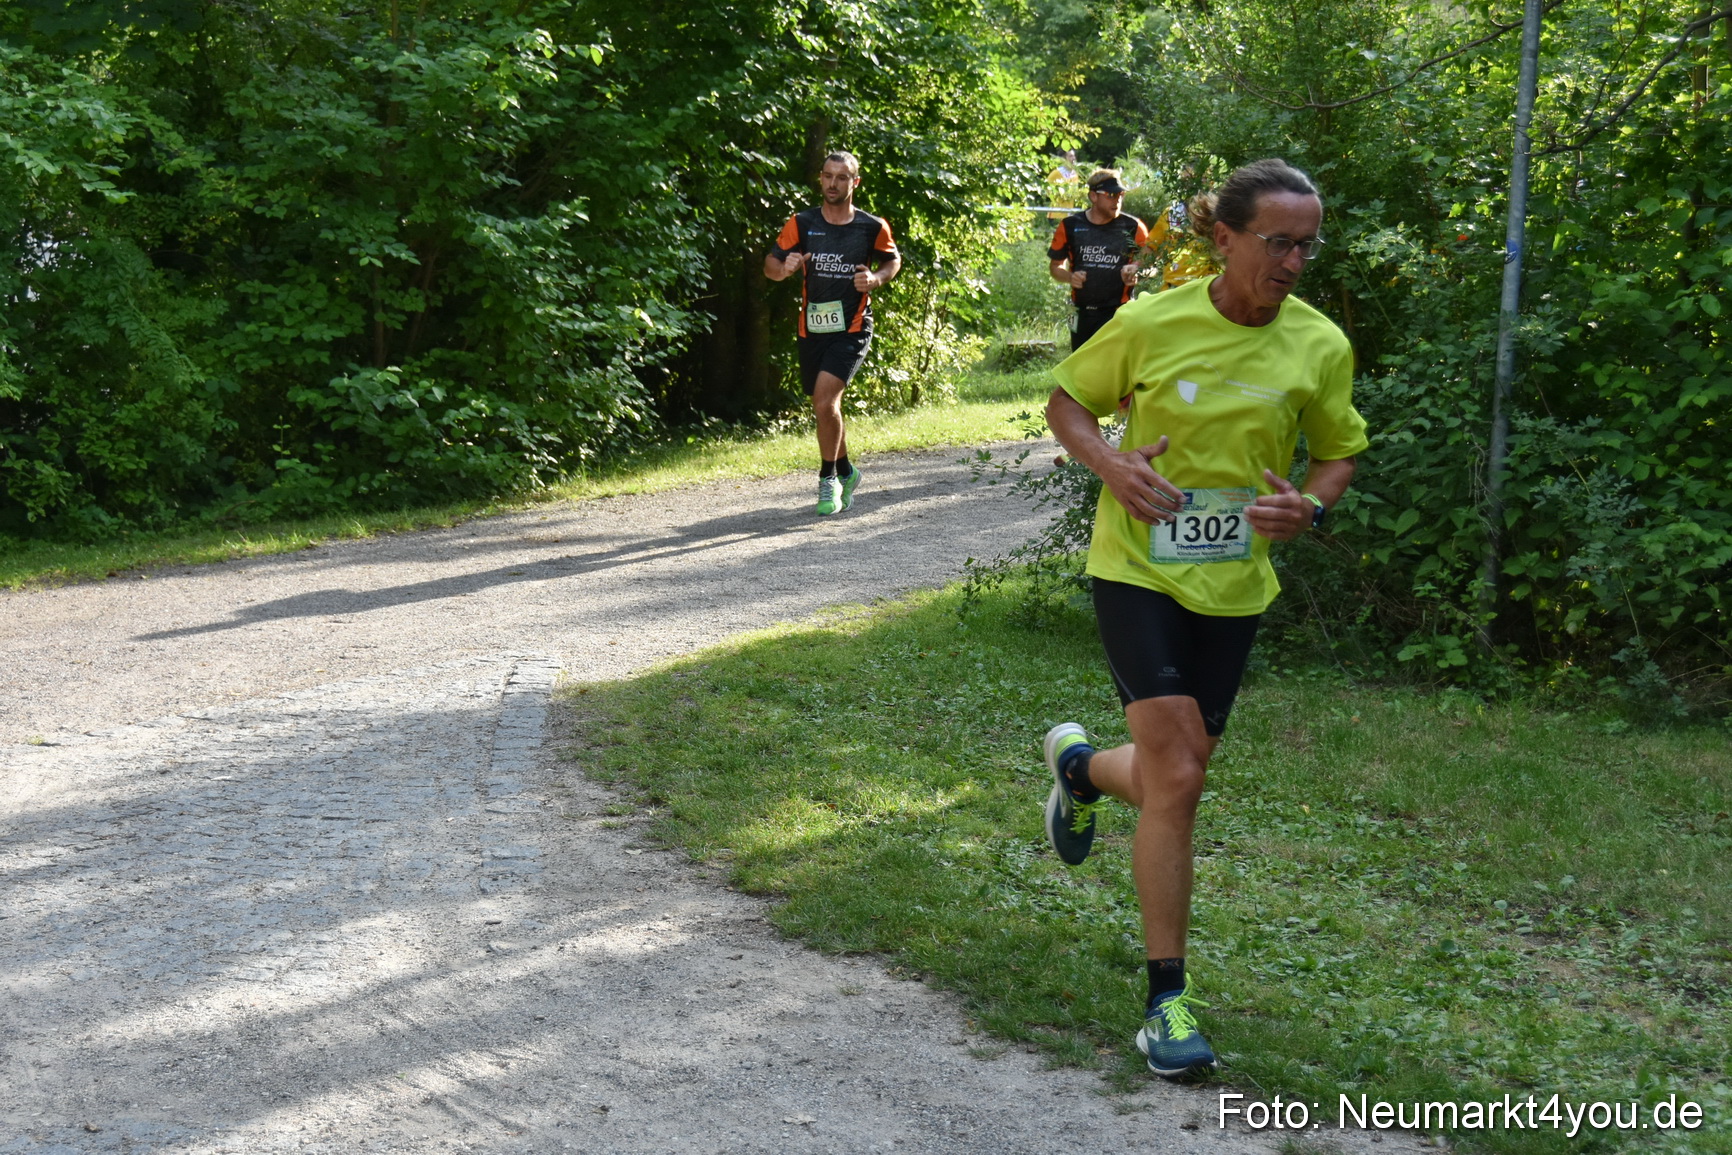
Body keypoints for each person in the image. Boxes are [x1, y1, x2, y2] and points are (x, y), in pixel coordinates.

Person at [1038, 158, 1368, 1080]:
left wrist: (1310, 507)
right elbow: (1068, 403)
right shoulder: (1151, 321)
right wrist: (1110, 465)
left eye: (1307, 244)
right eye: (1278, 242)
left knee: (1172, 775)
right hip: (1136, 569)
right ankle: (1165, 1001)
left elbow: (1338, 455)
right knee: (1179, 771)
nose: (1295, 261)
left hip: (1235, 586)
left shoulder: (1319, 345)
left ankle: (1081, 768)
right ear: (1223, 239)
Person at [764, 151, 902, 516]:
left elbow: (892, 260)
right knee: (824, 408)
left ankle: (829, 481)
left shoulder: (872, 226)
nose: (832, 184)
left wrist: (875, 279)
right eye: (827, 176)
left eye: (842, 178)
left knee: (825, 402)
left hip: (853, 328)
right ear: (820, 179)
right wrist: (786, 268)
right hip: (811, 329)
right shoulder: (803, 223)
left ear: (855, 183)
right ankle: (846, 470)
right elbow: (771, 266)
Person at [1047, 169, 1149, 351]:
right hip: (1083, 312)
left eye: (1121, 194)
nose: (1117, 200)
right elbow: (1055, 267)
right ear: (1093, 196)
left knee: (1113, 370)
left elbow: (1151, 265)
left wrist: (1138, 271)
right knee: (1081, 370)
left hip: (1120, 311)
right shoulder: (1070, 225)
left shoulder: (1134, 227)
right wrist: (1070, 277)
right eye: (1111, 194)